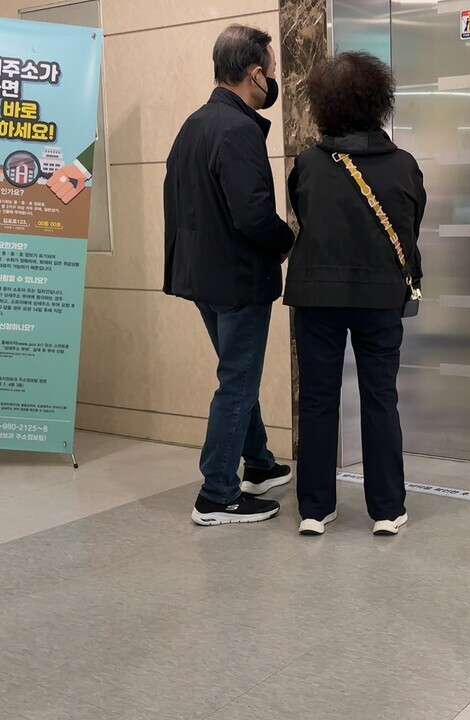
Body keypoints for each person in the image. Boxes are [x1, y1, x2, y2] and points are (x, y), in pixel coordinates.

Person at [284, 52, 425, 537]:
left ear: (323, 105)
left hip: (316, 296)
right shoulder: (404, 166)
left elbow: (302, 215)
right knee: (380, 397)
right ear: (378, 102)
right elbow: (411, 227)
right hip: (380, 296)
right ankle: (386, 509)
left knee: (317, 398)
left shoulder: (308, 164)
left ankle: (314, 508)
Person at [163, 24, 295, 526]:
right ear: (255, 73)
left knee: (238, 372)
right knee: (237, 381)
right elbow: (253, 214)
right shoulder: (238, 130)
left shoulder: (194, 124)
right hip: (238, 279)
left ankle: (258, 464)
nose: (272, 83)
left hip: (202, 277)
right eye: (271, 72)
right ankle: (217, 493)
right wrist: (288, 242)